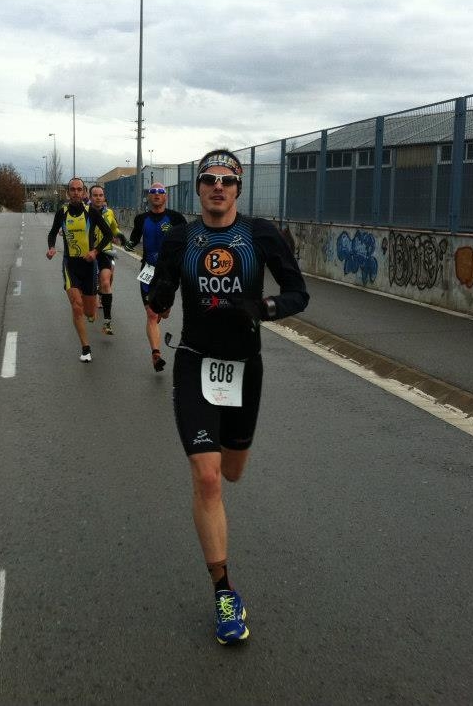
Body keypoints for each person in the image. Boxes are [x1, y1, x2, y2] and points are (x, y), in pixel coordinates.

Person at [147, 149, 309, 644]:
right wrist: (157, 297)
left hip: (244, 368)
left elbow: (298, 292)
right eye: (209, 179)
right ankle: (224, 590)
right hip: (195, 361)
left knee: (233, 471)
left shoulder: (261, 234)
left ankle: (221, 481)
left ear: (239, 188)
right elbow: (160, 289)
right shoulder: (181, 238)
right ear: (197, 189)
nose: (218, 186)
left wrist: (264, 306)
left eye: (227, 180)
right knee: (209, 477)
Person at [47, 177, 113, 362]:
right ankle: (85, 348)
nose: (76, 192)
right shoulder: (62, 212)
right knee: (76, 306)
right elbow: (52, 233)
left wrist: (95, 251)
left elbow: (107, 234)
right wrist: (51, 247)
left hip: (89, 265)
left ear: (84, 192)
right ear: (68, 193)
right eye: (72, 189)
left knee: (90, 311)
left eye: (79, 189)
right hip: (70, 264)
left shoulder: (91, 212)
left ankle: (91, 314)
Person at [125, 182, 186, 371]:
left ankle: (162, 309)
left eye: (161, 192)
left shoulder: (176, 218)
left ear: (165, 197)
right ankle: (156, 354)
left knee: (163, 313)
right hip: (148, 270)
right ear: (149, 197)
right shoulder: (141, 219)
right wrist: (124, 243)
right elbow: (133, 240)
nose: (157, 194)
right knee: (151, 314)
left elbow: (186, 242)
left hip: (169, 273)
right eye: (153, 192)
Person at [89, 184, 126, 336]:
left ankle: (107, 321)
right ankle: (95, 296)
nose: (98, 198)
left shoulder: (109, 212)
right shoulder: (85, 212)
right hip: (89, 252)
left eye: (100, 195)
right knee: (91, 284)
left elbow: (114, 228)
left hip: (105, 251)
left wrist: (120, 235)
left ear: (104, 198)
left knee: (106, 282)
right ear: (90, 198)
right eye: (95, 195)